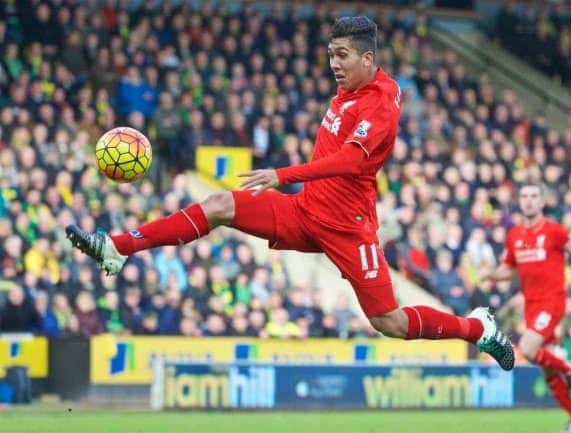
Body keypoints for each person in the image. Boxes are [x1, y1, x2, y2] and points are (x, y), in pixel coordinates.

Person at [66, 16, 513, 369]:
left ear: (368, 58)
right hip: (303, 211)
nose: (333, 65)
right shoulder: (350, 88)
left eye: (341, 56)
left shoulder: (380, 102)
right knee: (220, 204)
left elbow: (353, 162)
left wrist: (282, 173)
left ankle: (477, 328)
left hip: (348, 228)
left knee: (390, 322)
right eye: (331, 55)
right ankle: (117, 248)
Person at [480, 183, 571, 433]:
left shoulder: (554, 231)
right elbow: (508, 269)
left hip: (553, 301)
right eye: (525, 196)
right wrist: (490, 275)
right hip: (531, 305)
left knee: (528, 348)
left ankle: (569, 368)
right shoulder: (515, 235)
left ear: (542, 202)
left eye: (534, 196)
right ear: (520, 201)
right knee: (546, 369)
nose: (529, 201)